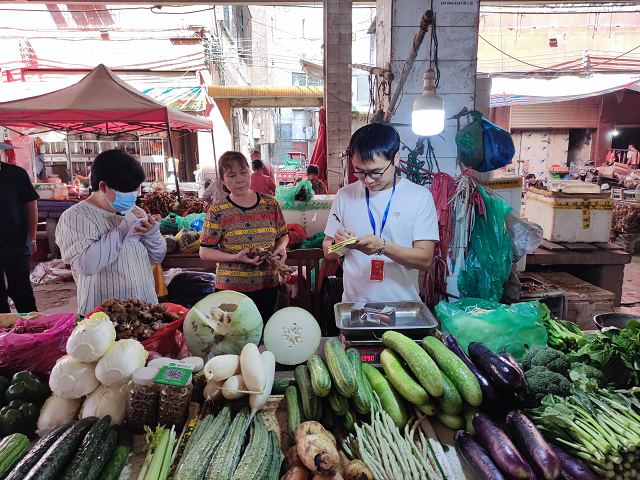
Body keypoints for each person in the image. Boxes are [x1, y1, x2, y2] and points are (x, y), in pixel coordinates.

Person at [323, 123, 439, 303]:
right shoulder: (344, 195)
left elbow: (424, 259)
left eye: (376, 172)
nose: (368, 180)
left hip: (403, 306)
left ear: (396, 158)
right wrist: (340, 245)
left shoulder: (419, 197)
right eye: (359, 172)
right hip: (354, 307)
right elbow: (328, 252)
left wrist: (383, 247)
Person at [56, 150, 166, 315]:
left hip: (145, 309)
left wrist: (152, 235)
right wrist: (122, 230)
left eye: (135, 190)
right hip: (105, 316)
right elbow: (86, 266)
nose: (133, 196)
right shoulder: (75, 217)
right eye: (127, 191)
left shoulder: (136, 211)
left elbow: (156, 258)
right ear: (103, 186)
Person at [200, 151, 289, 322]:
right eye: (231, 175)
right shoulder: (217, 211)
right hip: (231, 289)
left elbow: (283, 235)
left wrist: (282, 247)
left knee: (261, 336)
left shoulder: (270, 204)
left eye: (243, 172)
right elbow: (205, 252)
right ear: (223, 181)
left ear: (250, 172)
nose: (239, 179)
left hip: (266, 284)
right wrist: (236, 257)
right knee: (233, 337)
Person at [0, 160, 39, 313]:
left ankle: (33, 330)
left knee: (21, 290)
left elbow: (31, 206)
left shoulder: (16, 174)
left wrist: (32, 236)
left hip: (16, 241)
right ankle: (4, 334)